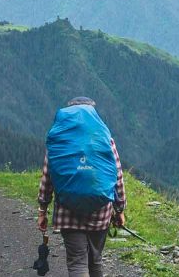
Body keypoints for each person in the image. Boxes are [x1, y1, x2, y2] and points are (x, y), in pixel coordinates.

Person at [37, 97, 127, 277]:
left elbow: (48, 176)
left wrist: (42, 210)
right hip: (100, 210)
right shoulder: (104, 138)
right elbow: (117, 175)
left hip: (67, 210)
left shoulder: (59, 139)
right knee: (95, 261)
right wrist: (120, 209)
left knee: (77, 262)